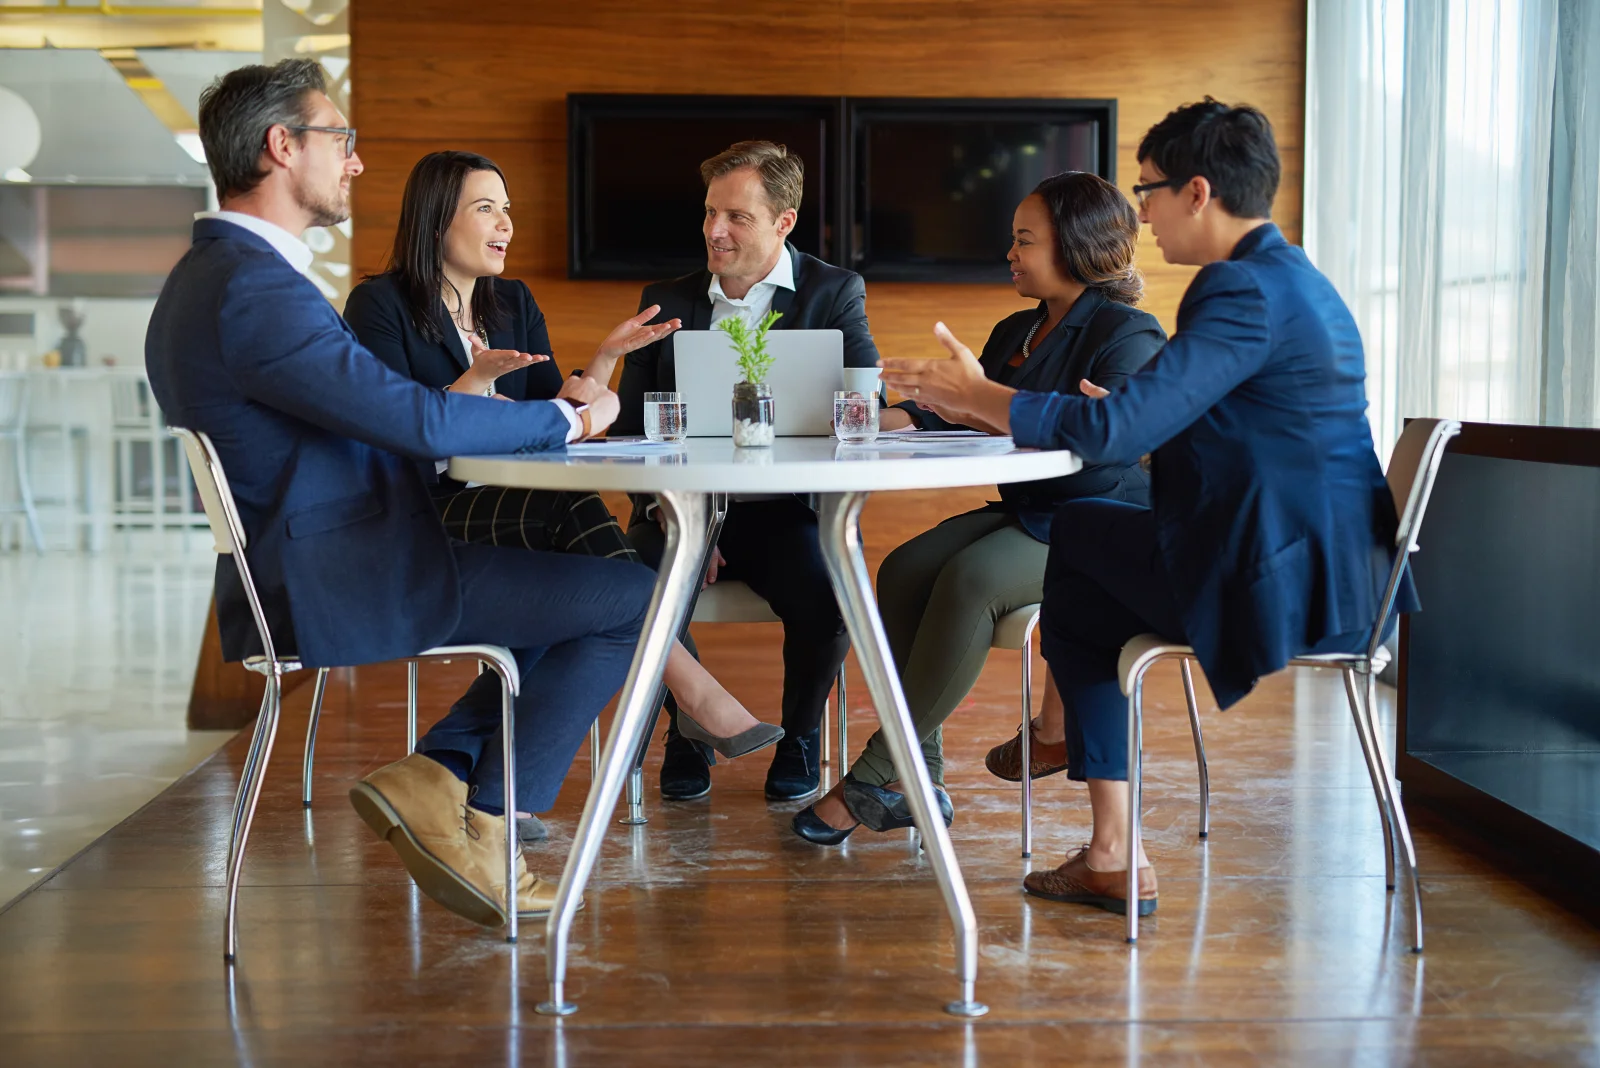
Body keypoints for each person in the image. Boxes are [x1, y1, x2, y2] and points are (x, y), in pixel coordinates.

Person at [145, 59, 654, 930]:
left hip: (330, 559)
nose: (355, 162)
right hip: (348, 574)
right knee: (638, 599)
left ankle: (441, 775)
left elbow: (393, 418)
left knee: (572, 584)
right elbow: (414, 422)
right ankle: (486, 821)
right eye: (341, 141)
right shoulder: (254, 292)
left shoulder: (215, 278)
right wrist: (568, 422)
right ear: (282, 147)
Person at [879, 98, 1412, 919]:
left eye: (1150, 191)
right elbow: (1247, 427)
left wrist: (986, 395)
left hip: (1288, 584)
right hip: (1344, 572)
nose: (1142, 213)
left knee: (1085, 547)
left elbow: (1113, 430)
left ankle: (1098, 815)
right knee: (1088, 540)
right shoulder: (1293, 278)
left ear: (1197, 192)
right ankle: (1093, 818)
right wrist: (1153, 419)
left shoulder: (1236, 290)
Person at [343, 150, 784, 841]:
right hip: (424, 513)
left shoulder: (512, 302)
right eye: (486, 207)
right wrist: (472, 385)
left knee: (584, 578)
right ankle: (687, 687)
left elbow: (555, 426)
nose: (506, 224)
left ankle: (477, 780)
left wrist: (605, 363)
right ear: (435, 222)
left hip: (514, 508)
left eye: (508, 208)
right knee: (576, 532)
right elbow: (395, 432)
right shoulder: (381, 306)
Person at [792, 172, 1166, 845]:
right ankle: (920, 777)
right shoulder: (1016, 329)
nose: (1011, 253)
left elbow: (1109, 450)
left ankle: (875, 774)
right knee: (905, 567)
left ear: (1076, 246)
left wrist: (988, 409)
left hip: (1097, 521)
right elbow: (965, 414)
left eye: (1025, 241)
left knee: (971, 581)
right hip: (1030, 510)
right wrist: (894, 417)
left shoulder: (1129, 334)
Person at [616, 141, 881, 803]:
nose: (714, 230)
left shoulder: (833, 292)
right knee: (632, 587)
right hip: (678, 508)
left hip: (779, 513)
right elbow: (627, 431)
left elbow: (865, 395)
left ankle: (798, 737)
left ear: (783, 222)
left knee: (828, 599)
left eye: (736, 216)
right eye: (710, 212)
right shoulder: (665, 298)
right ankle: (690, 729)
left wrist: (866, 399)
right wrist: (677, 515)